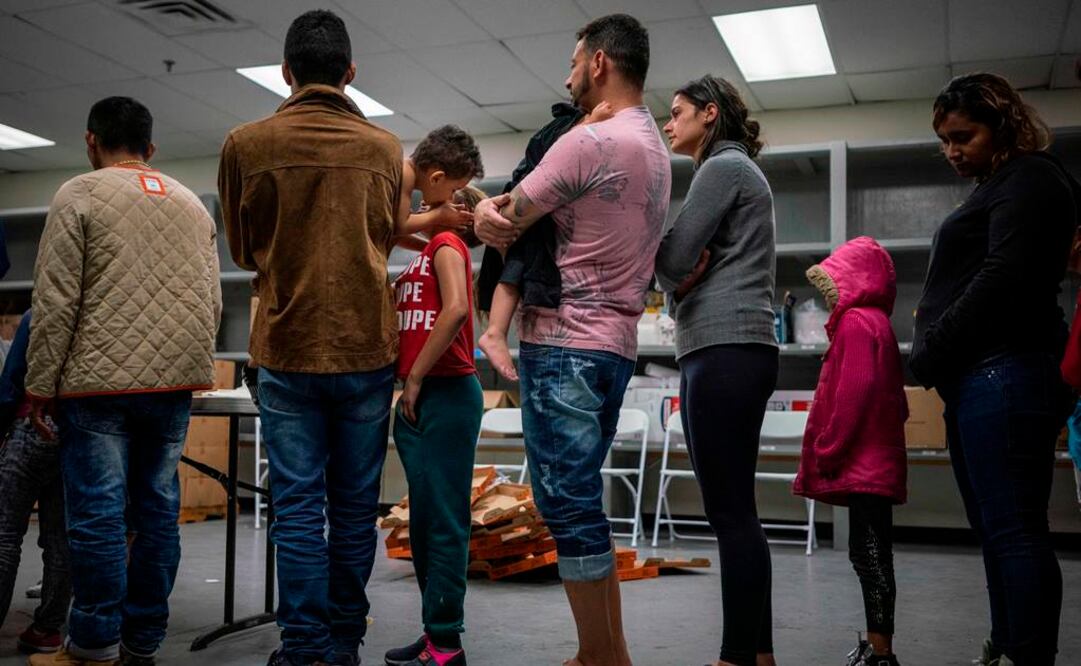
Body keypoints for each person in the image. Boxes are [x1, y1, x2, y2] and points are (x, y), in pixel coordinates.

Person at [473, 14, 670, 666]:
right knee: (582, 498)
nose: (567, 76)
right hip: (614, 346)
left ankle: (598, 656)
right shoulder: (653, 144)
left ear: (599, 64)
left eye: (573, 61)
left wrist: (477, 209)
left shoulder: (587, 143)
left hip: (564, 344)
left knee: (566, 502)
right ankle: (609, 652)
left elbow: (505, 224)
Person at [218, 9, 405, 666]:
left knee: (296, 505)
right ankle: (345, 645)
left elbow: (243, 251)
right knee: (355, 507)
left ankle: (302, 650)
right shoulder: (385, 149)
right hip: (366, 349)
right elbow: (384, 237)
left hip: (287, 346)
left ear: (286, 73)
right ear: (351, 73)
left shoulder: (246, 143)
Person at [24, 95, 221, 666]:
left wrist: (39, 384)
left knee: (99, 519)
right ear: (151, 148)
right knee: (158, 514)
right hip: (172, 389)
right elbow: (209, 305)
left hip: (96, 386)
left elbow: (56, 300)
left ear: (92, 141)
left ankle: (91, 645)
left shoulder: (79, 194)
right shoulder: (191, 204)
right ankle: (142, 643)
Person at [910, 72, 1080, 666]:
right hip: (983, 377)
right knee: (998, 530)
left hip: (1003, 373)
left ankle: (1025, 654)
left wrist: (930, 350)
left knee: (1014, 530)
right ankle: (1009, 646)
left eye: (964, 137)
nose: (953, 151)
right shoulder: (1000, 185)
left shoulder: (1030, 177)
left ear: (1003, 127)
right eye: (945, 141)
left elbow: (1001, 279)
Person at [652, 75, 777, 666]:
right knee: (739, 512)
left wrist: (678, 275)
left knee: (728, 512)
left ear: (709, 113)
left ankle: (735, 658)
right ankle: (759, 654)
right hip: (731, 347)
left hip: (724, 346)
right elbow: (680, 270)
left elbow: (672, 259)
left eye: (676, 113)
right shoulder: (733, 170)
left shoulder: (722, 167)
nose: (667, 124)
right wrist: (681, 279)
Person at [792, 237, 908, 666]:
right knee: (875, 552)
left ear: (856, 280)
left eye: (832, 283)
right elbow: (898, 399)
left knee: (870, 555)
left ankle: (881, 654)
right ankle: (880, 647)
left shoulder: (857, 322)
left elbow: (855, 390)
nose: (828, 294)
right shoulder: (879, 322)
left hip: (861, 460)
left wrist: (830, 446)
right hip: (878, 459)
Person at [384, 184, 485, 666]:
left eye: (441, 202)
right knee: (424, 522)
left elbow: (458, 311)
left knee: (443, 522)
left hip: (442, 391)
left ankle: (446, 643)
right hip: (423, 395)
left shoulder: (448, 245)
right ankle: (434, 633)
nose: (425, 208)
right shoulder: (425, 250)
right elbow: (392, 227)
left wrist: (417, 378)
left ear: (462, 213)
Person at [475, 101, 612, 380]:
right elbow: (564, 151)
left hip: (528, 205)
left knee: (514, 271)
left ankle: (495, 332)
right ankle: (494, 333)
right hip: (523, 201)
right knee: (514, 271)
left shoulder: (560, 130)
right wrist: (591, 122)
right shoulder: (563, 132)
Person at [0, 311, 71, 656]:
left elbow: (12, 380)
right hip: (75, 434)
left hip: (30, 425)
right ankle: (47, 629)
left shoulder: (37, 314)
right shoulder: (100, 314)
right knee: (61, 539)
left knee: (4, 533)